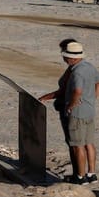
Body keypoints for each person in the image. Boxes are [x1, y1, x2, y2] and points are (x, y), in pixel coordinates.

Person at [41, 41, 99, 184]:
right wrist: (93, 98)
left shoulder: (77, 72)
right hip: (89, 110)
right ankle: (91, 174)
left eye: (65, 56)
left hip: (77, 114)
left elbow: (77, 91)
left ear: (72, 58)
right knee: (89, 143)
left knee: (77, 145)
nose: (64, 59)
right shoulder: (88, 66)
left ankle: (80, 177)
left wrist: (70, 105)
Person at [38, 38, 79, 178]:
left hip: (68, 109)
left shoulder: (74, 70)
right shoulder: (72, 68)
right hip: (64, 107)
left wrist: (46, 97)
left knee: (74, 143)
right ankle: (78, 173)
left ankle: (78, 174)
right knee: (72, 143)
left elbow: (65, 90)